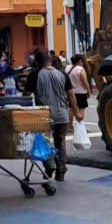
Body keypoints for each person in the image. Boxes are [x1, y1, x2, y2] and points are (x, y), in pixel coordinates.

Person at [26, 49, 81, 182]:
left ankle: (49, 165)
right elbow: (71, 95)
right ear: (49, 60)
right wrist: (77, 113)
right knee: (60, 143)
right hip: (62, 115)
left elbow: (26, 96)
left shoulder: (35, 74)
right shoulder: (62, 74)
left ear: (38, 63)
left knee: (44, 141)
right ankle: (61, 171)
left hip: (44, 115)